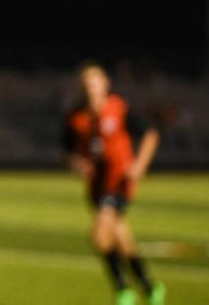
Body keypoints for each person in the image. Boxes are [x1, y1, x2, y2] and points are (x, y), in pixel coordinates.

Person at [63, 63, 166, 305]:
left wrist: (140, 165)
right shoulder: (75, 117)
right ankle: (150, 288)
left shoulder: (119, 107)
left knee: (99, 233)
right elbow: (69, 151)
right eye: (87, 84)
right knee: (121, 239)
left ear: (105, 84)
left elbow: (151, 134)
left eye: (95, 83)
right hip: (96, 186)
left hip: (119, 180)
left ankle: (122, 289)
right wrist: (79, 164)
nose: (91, 88)